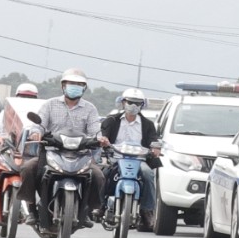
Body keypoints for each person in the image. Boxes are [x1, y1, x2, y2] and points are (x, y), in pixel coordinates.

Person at [29, 68, 105, 228]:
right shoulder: (50, 104)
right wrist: (36, 133)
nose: (75, 86)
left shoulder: (90, 108)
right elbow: (39, 124)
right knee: (28, 169)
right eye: (71, 83)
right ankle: (31, 209)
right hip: (51, 151)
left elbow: (95, 130)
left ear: (84, 88)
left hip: (81, 154)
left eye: (79, 84)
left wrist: (100, 138)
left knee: (98, 176)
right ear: (63, 85)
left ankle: (87, 211)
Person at [99, 89, 164, 229]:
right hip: (116, 158)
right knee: (103, 173)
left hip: (139, 160)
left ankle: (147, 210)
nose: (133, 106)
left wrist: (155, 148)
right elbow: (103, 135)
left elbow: (154, 139)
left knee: (148, 174)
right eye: (130, 102)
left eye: (137, 103)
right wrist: (104, 141)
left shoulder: (148, 124)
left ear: (142, 105)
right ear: (123, 102)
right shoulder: (111, 121)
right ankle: (100, 205)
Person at [0, 82, 41, 218]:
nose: (25, 100)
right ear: (16, 97)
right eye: (23, 96)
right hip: (8, 151)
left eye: (30, 97)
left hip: (30, 155)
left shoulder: (39, 115)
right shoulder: (7, 112)